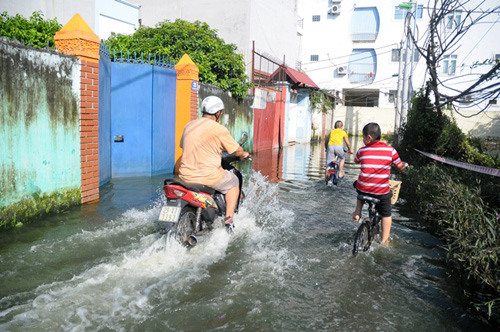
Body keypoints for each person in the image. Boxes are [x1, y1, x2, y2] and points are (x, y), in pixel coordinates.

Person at [178, 96, 250, 229]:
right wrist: (243, 154)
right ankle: (228, 221)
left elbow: (184, 146)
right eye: (220, 113)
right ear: (218, 113)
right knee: (234, 182)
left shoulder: (189, 125)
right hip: (207, 177)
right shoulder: (218, 129)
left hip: (184, 177)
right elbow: (236, 150)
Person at [352, 122, 409, 244]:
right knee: (386, 213)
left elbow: (356, 161)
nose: (362, 140)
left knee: (358, 184)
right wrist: (405, 165)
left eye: (363, 137)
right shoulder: (391, 151)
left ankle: (358, 210)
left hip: (363, 189)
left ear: (369, 138)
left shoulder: (362, 150)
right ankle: (385, 240)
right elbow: (400, 167)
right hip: (380, 192)